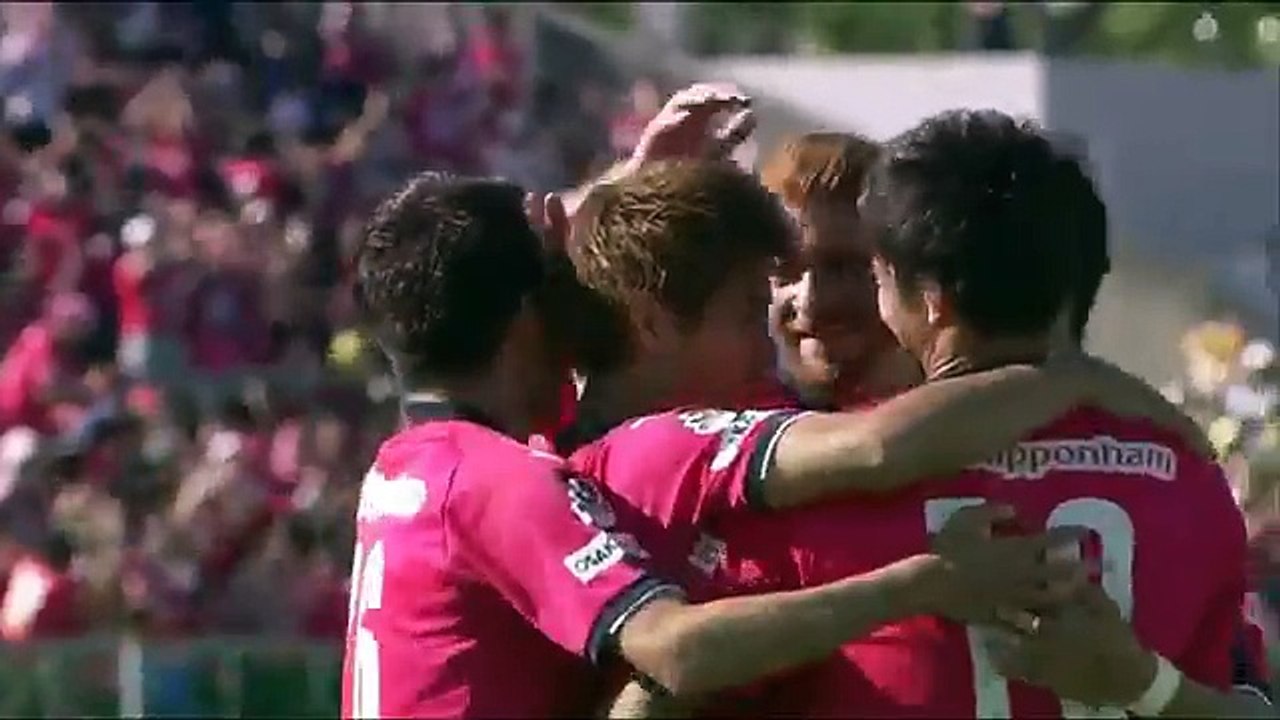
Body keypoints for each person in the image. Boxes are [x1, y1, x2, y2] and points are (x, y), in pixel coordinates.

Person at [340, 171, 1081, 718]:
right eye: (744, 315)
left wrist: (633, 186)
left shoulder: (415, 469)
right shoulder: (561, 468)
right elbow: (878, 449)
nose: (769, 346)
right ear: (525, 318)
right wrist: (1069, 380)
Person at [707, 109, 1264, 716]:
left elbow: (679, 672)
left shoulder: (811, 495)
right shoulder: (1190, 479)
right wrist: (1148, 687)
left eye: (865, 269)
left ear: (930, 300)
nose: (810, 297)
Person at [758, 131, 920, 409]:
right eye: (785, 270)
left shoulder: (985, 427)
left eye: (844, 267)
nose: (812, 301)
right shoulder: (729, 424)